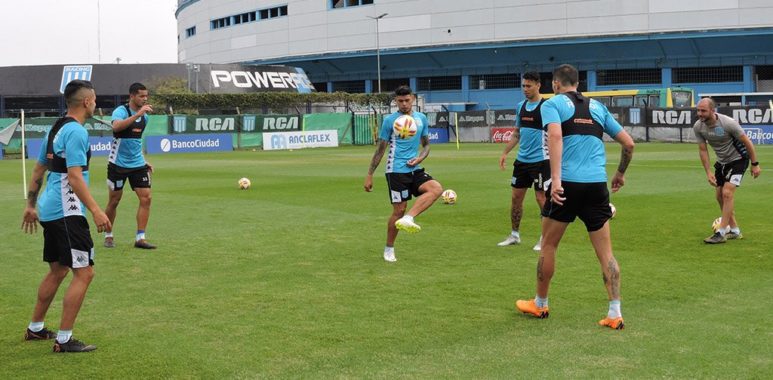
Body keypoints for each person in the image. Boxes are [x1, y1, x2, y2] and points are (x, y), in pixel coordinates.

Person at [515, 64, 635, 330]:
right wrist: (620, 173)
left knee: (548, 244)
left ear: (556, 84)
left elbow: (555, 136)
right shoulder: (597, 108)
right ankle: (615, 312)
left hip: (566, 184)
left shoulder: (552, 104)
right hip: (596, 185)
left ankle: (540, 303)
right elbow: (628, 143)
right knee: (606, 253)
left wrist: (555, 180)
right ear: (578, 83)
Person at [21, 80, 111, 352]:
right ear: (86, 102)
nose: (96, 104)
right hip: (66, 211)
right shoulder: (76, 132)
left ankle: (35, 328)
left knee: (59, 269)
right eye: (94, 99)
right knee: (84, 273)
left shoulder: (56, 127)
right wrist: (96, 210)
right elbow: (74, 177)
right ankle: (64, 340)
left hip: (50, 208)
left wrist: (30, 205)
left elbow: (38, 170)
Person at [363, 85, 443, 262]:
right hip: (396, 170)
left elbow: (427, 145)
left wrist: (420, 158)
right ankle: (389, 248)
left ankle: (409, 218)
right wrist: (369, 174)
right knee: (398, 210)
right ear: (395, 101)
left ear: (413, 98)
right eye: (400, 101)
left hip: (414, 168)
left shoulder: (421, 118)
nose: (404, 104)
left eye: (407, 100)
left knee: (436, 189)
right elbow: (380, 150)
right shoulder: (390, 121)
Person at [694, 98, 761, 244]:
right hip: (722, 163)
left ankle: (721, 232)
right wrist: (708, 171)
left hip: (739, 159)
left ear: (713, 110)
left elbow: (747, 142)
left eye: (703, 110)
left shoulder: (728, 123)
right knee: (719, 196)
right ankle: (735, 231)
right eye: (698, 110)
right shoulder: (698, 127)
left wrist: (755, 164)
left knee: (727, 193)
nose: (700, 114)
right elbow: (702, 150)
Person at [498, 71, 549, 250]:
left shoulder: (546, 107)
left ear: (538, 85)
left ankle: (545, 238)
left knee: (541, 198)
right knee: (515, 199)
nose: (525, 89)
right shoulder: (520, 106)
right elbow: (517, 133)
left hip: (541, 161)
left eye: (529, 86)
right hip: (522, 161)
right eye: (523, 86)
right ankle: (514, 235)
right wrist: (505, 153)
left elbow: (556, 134)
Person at [104, 82, 156, 249]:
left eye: (146, 96)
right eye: (141, 96)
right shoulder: (121, 111)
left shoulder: (145, 117)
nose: (145, 99)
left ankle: (140, 238)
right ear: (132, 96)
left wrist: (143, 159)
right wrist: (137, 114)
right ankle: (109, 234)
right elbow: (117, 126)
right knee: (114, 201)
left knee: (146, 198)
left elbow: (136, 141)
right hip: (117, 164)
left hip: (137, 164)